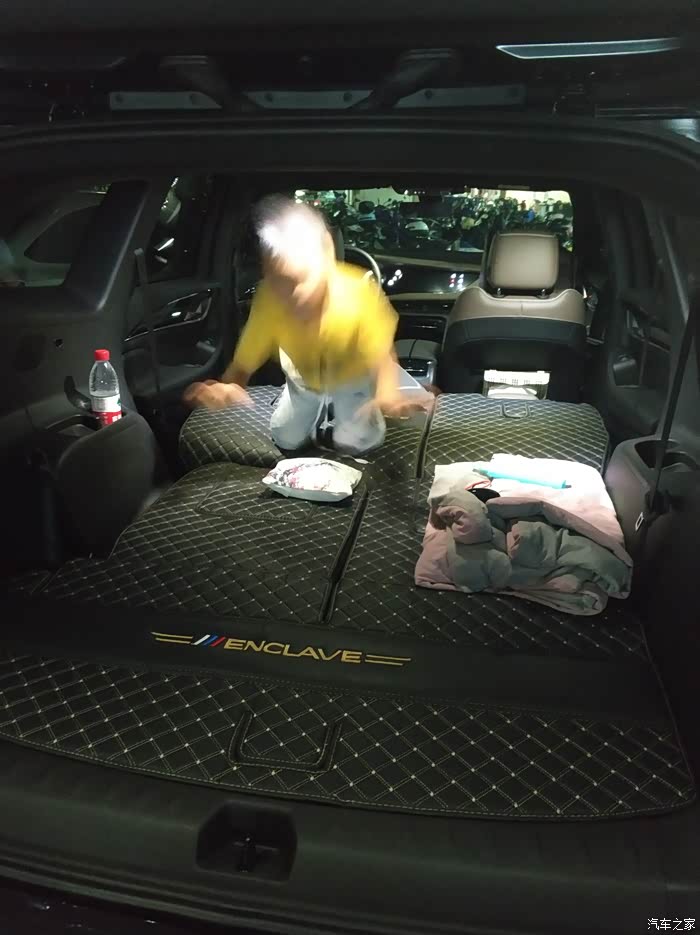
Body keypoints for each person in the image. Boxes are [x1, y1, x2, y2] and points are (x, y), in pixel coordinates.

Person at [184, 195, 426, 455]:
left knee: (358, 441)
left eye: (302, 280)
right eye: (281, 281)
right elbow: (244, 362)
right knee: (285, 437)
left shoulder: (359, 293)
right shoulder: (268, 299)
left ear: (328, 255)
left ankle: (358, 413)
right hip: (302, 379)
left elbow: (382, 357)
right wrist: (229, 385)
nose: (294, 295)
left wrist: (388, 393)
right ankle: (295, 398)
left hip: (353, 377)